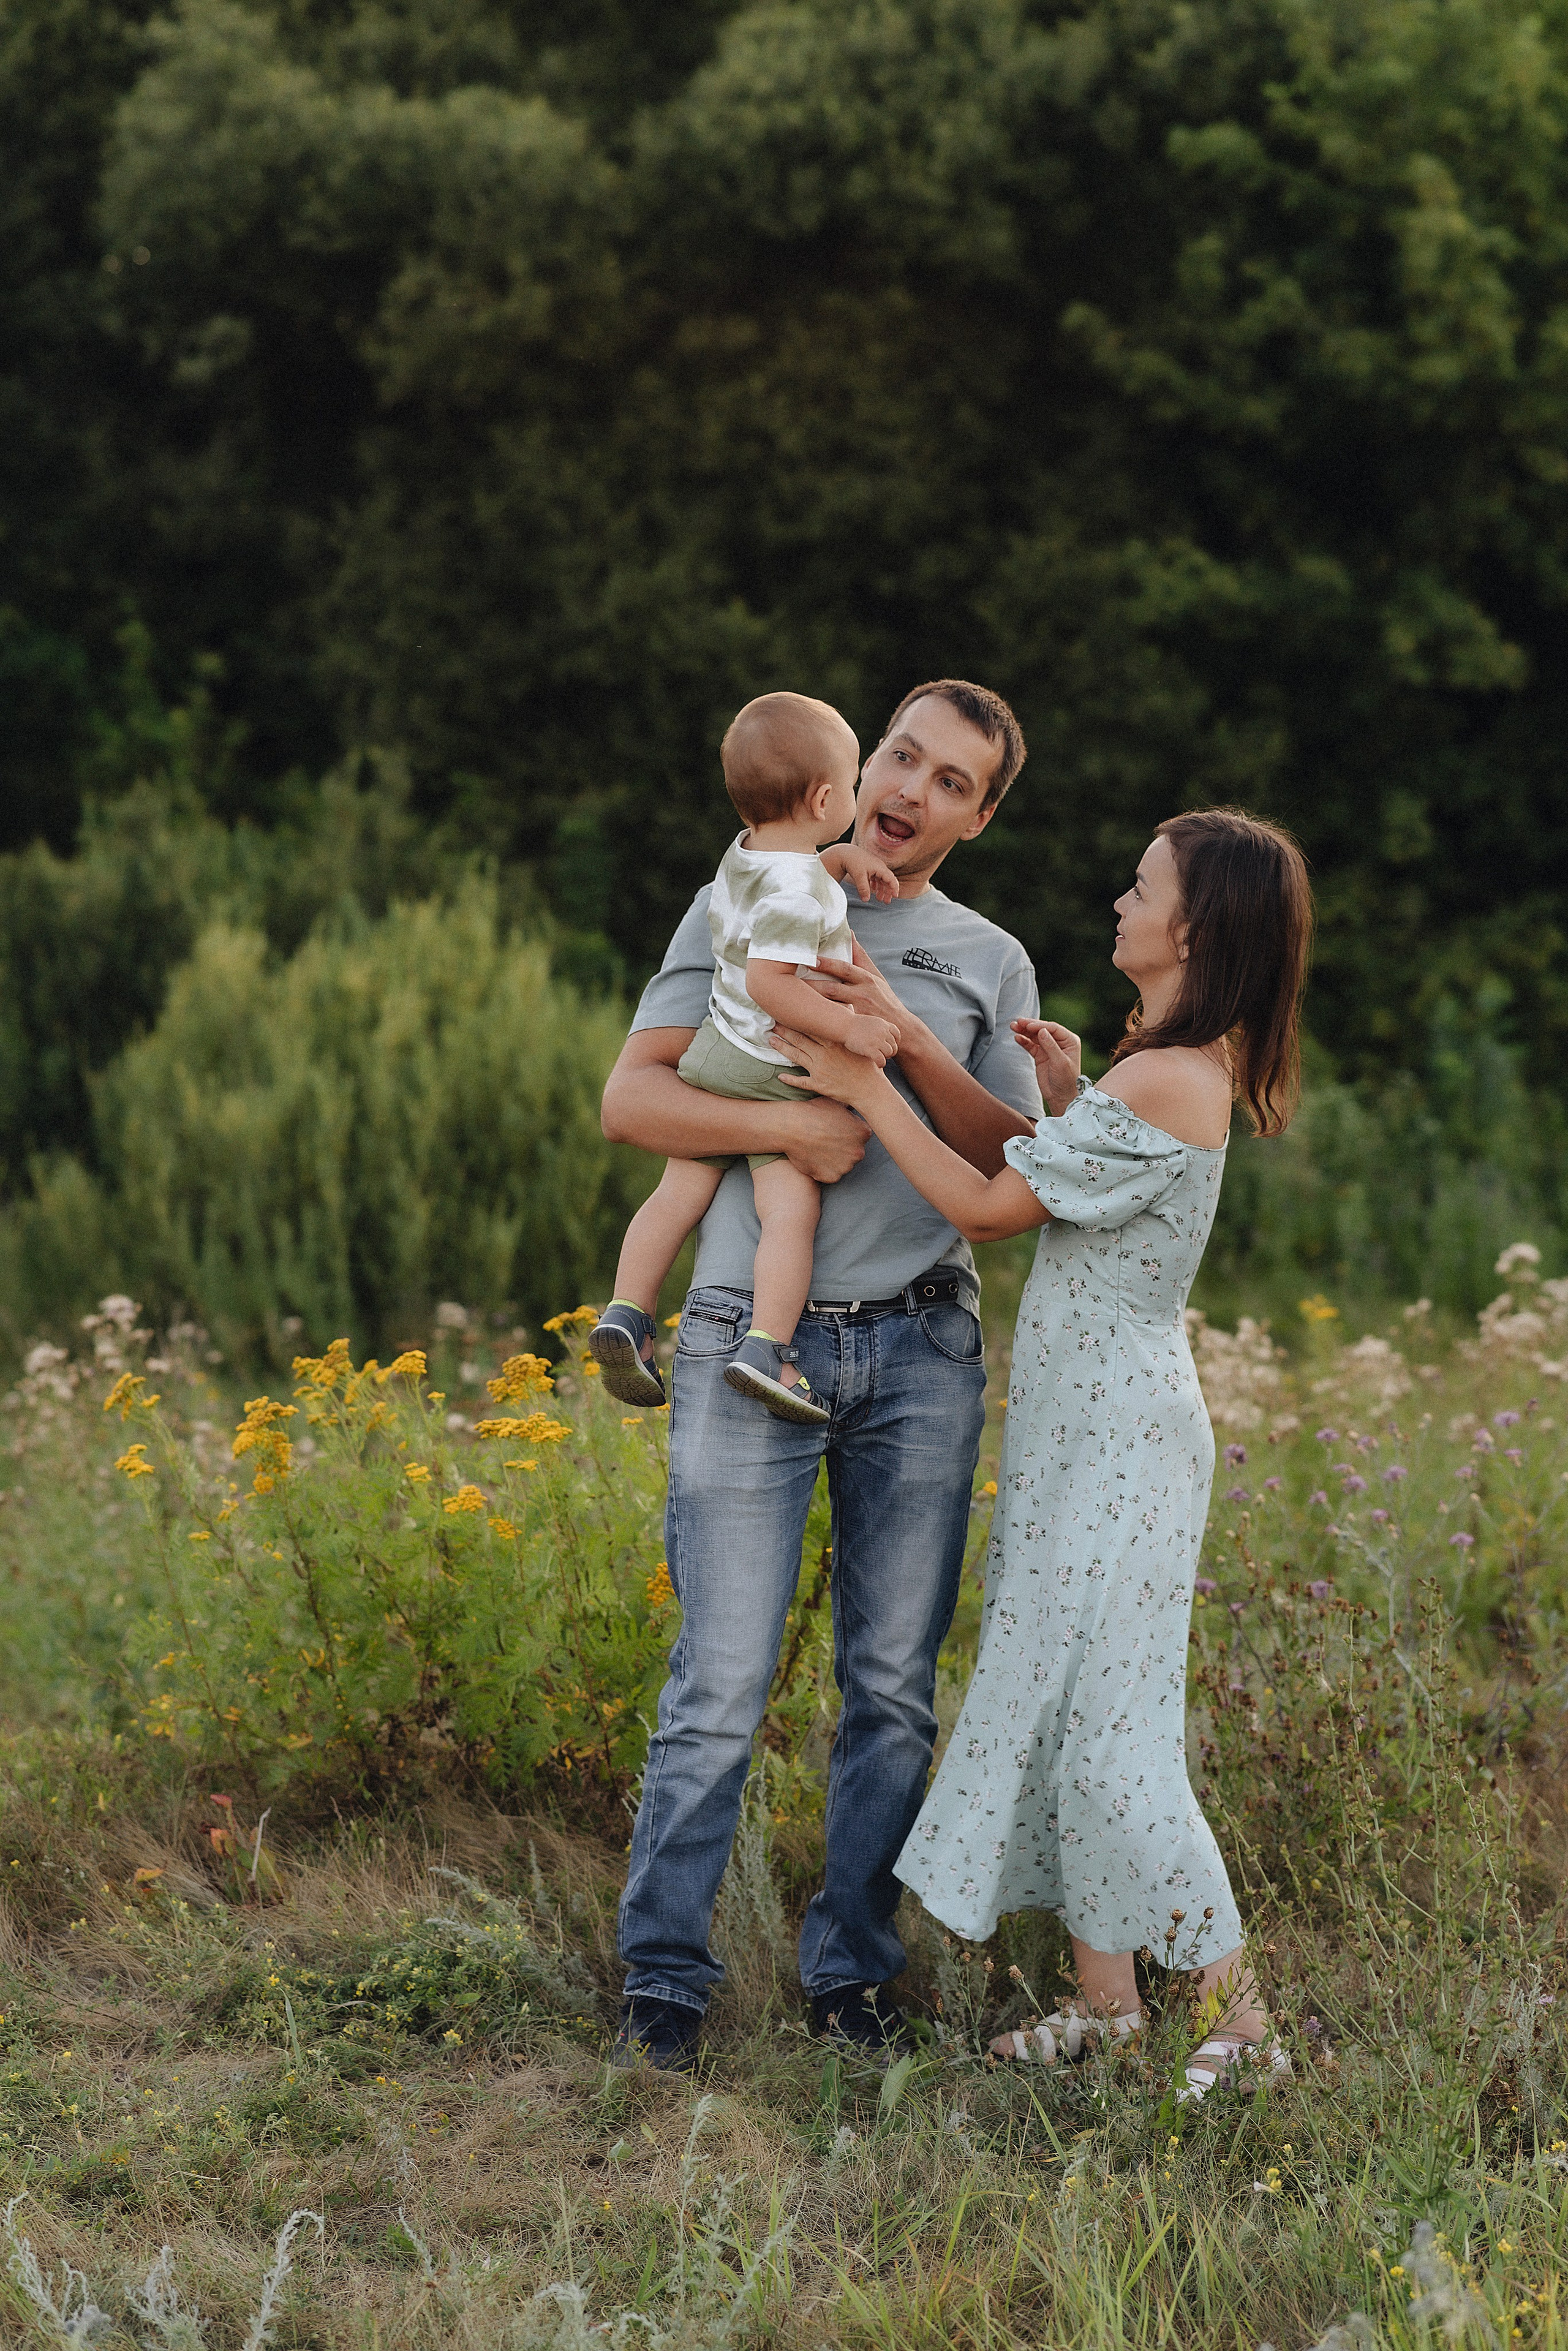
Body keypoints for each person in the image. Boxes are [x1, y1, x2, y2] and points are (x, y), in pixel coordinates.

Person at [772, 807, 1313, 2100]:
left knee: (1119, 1734)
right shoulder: (1150, 1069)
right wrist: (910, 1043)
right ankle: (1106, 2003)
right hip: (1084, 1433)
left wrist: (862, 1088)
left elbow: (981, 1205)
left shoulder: (1173, 1076)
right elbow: (1017, 1154)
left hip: (1120, 1438)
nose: (1116, 901)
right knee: (1077, 1712)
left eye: (1139, 888)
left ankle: (1237, 2023)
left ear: (1190, 927)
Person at [601, 679, 1052, 2072]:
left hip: (918, 1349)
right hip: (751, 1330)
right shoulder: (752, 892)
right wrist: (788, 1129)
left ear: (976, 818)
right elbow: (634, 1100)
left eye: (950, 780)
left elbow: (1011, 1166)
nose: (912, 787)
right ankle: (663, 1982)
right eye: (901, 754)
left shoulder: (989, 962)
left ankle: (849, 1976)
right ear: (859, 768)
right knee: (718, 1677)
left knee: (889, 1690)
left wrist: (899, 1044)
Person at [589, 693, 902, 1425]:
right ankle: (767, 1349)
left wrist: (834, 858)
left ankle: (627, 1314)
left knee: (676, 1195)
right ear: (826, 797)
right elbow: (772, 983)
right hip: (772, 1068)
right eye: (854, 785)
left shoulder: (748, 853)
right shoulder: (799, 889)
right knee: (790, 1214)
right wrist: (846, 1027)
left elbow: (785, 878)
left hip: (714, 1052)